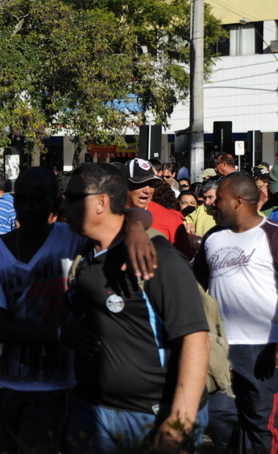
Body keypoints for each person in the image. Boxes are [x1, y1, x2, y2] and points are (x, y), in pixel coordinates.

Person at [0, 167, 158, 454]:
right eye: (22, 198)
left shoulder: (70, 238)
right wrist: (62, 334)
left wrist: (134, 229)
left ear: (54, 202)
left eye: (38, 199)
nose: (29, 207)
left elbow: (133, 215)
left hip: (59, 386)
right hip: (5, 384)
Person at [62, 163, 209, 454]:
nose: (65, 204)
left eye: (73, 197)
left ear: (102, 201)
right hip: (90, 411)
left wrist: (179, 422)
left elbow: (196, 338)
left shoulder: (157, 257)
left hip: (152, 416)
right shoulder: (82, 254)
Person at [193, 173, 278, 453]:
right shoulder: (213, 237)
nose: (212, 204)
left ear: (238, 201)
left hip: (263, 350)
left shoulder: (273, 235)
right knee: (216, 415)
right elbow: (196, 286)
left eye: (219, 199)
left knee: (259, 423)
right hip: (218, 348)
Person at [124, 158, 193, 258]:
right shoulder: (107, 215)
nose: (147, 190)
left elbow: (185, 261)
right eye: (140, 184)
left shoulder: (172, 219)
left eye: (151, 184)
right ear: (123, 184)